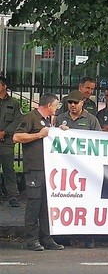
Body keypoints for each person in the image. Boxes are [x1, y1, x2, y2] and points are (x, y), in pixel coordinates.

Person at [13, 93, 64, 251]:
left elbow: (48, 136)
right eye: (56, 105)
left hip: (47, 168)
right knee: (34, 204)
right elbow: (16, 137)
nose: (57, 109)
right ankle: (32, 239)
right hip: (34, 168)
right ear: (49, 105)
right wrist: (38, 135)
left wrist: (59, 131)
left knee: (46, 205)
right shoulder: (31, 117)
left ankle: (46, 238)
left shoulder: (47, 120)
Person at [56, 90, 101, 248]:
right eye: (70, 102)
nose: (72, 105)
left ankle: (89, 236)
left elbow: (100, 142)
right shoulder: (61, 118)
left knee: (87, 202)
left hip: (86, 168)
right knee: (64, 201)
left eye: (76, 102)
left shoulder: (91, 120)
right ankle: (63, 236)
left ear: (83, 102)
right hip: (65, 167)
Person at [0, 76, 23, 207]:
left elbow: (18, 120)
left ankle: (13, 196)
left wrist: (5, 132)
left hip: (6, 142)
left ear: (4, 86)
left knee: (9, 169)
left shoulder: (14, 103)